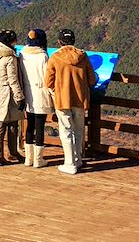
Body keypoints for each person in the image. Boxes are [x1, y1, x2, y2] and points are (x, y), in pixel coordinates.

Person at [45, 28, 97, 175]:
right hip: (80, 100)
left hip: (62, 99)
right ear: (73, 40)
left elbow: (48, 82)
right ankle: (78, 159)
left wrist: (56, 91)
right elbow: (92, 80)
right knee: (79, 130)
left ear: (59, 42)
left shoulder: (55, 57)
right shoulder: (83, 56)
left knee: (66, 130)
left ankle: (69, 163)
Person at [0, 29, 26, 166]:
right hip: (8, 93)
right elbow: (12, 79)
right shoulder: (9, 57)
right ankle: (13, 152)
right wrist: (20, 97)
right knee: (13, 124)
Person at [18, 29, 54, 168]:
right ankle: (38, 160)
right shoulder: (43, 56)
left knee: (29, 125)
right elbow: (48, 77)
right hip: (40, 93)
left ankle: (28, 159)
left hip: (27, 92)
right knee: (40, 126)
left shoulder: (22, 54)